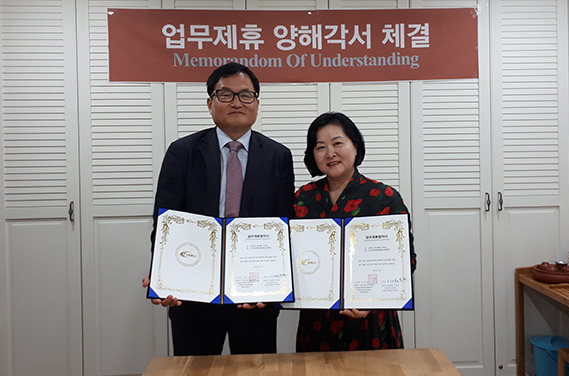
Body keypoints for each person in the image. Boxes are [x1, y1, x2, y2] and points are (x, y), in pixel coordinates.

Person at [142, 62, 295, 356]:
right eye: (226, 94)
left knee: (256, 372)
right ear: (210, 103)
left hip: (254, 295)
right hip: (194, 292)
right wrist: (162, 273)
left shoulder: (278, 156)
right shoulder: (182, 152)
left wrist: (275, 286)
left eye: (246, 95)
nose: (237, 102)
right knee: (195, 371)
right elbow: (166, 222)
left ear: (257, 103)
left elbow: (283, 225)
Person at [293, 112, 416, 352]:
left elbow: (406, 261)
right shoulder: (303, 198)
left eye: (338, 143)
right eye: (320, 147)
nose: (330, 153)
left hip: (371, 320)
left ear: (356, 147)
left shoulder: (384, 197)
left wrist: (374, 300)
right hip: (317, 320)